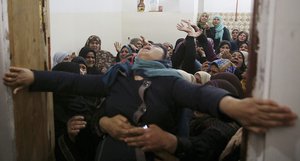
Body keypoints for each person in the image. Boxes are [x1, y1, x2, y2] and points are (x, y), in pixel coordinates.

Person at [3, 39, 297, 161]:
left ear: (164, 60)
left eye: (151, 48)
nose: (144, 48)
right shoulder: (117, 77)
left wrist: (233, 105)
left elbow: (198, 94)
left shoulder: (169, 81)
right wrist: (34, 78)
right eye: (142, 47)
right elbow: (75, 81)